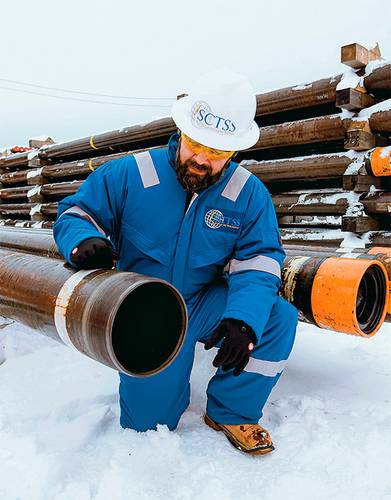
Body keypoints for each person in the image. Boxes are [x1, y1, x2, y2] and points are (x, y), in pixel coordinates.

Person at [53, 69, 298, 456]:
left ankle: (232, 411)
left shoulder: (248, 194)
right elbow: (75, 213)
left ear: (235, 150)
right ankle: (159, 400)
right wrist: (82, 240)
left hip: (201, 301)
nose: (201, 159)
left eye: (217, 151)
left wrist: (243, 319)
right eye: (196, 143)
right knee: (148, 427)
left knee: (276, 317)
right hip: (145, 308)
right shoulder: (132, 173)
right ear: (181, 130)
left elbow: (260, 261)